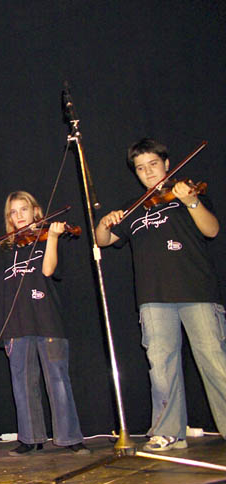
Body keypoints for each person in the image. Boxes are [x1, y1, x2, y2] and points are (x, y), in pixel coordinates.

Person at [95, 138, 226, 451]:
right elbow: (102, 240)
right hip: (152, 298)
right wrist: (104, 223)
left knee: (215, 362)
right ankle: (168, 431)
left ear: (167, 164)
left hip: (197, 291)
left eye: (153, 164)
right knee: (162, 367)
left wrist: (191, 202)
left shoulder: (186, 194)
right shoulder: (135, 208)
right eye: (141, 168)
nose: (148, 172)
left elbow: (211, 230)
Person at [0, 191, 89, 456]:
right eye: (13, 212)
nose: (19, 216)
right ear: (9, 218)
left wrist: (53, 238)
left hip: (48, 321)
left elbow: (48, 270)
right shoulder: (3, 249)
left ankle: (70, 437)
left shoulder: (47, 239)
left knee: (58, 381)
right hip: (15, 325)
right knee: (22, 384)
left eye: (23, 209)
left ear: (35, 211)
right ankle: (30, 438)